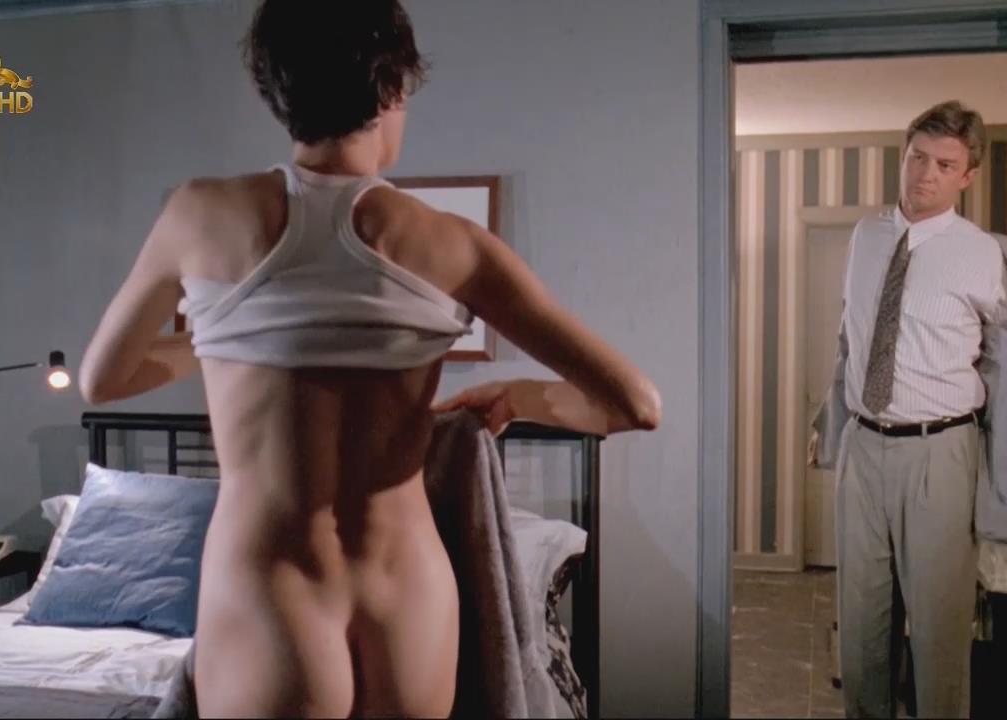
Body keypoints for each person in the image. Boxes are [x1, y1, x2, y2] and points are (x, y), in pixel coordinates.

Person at [77, 1, 661, 716]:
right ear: (393, 86)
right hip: (407, 595)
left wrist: (226, 337)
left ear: (276, 87)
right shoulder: (453, 245)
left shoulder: (200, 212)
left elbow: (103, 378)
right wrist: (516, 396)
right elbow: (635, 404)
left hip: (268, 593)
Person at [820, 100, 1007, 719]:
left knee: (939, 635)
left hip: (941, 453)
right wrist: (829, 423)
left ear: (967, 176)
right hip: (862, 449)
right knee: (861, 632)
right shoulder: (865, 236)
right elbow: (850, 338)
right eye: (917, 157)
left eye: (944, 165)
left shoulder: (985, 255)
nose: (926, 174)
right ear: (903, 155)